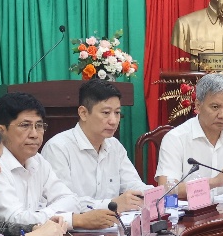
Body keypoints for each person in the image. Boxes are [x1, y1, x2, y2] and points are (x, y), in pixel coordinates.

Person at [0, 93, 118, 231]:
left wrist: (44, 215)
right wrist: (73, 220)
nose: (34, 134)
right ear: (1, 131)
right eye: (25, 125)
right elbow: (14, 221)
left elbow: (71, 200)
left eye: (39, 126)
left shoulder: (37, 160)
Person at [42, 78, 151, 212]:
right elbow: (63, 202)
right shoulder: (57, 148)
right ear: (83, 113)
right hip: (76, 224)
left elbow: (133, 183)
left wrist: (151, 194)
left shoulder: (114, 146)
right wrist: (112, 204)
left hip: (115, 223)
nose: (113, 121)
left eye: (117, 113)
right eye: (106, 113)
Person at [155, 73, 223, 195]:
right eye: (215, 107)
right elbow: (166, 189)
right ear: (198, 106)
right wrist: (214, 182)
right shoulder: (175, 139)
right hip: (191, 207)